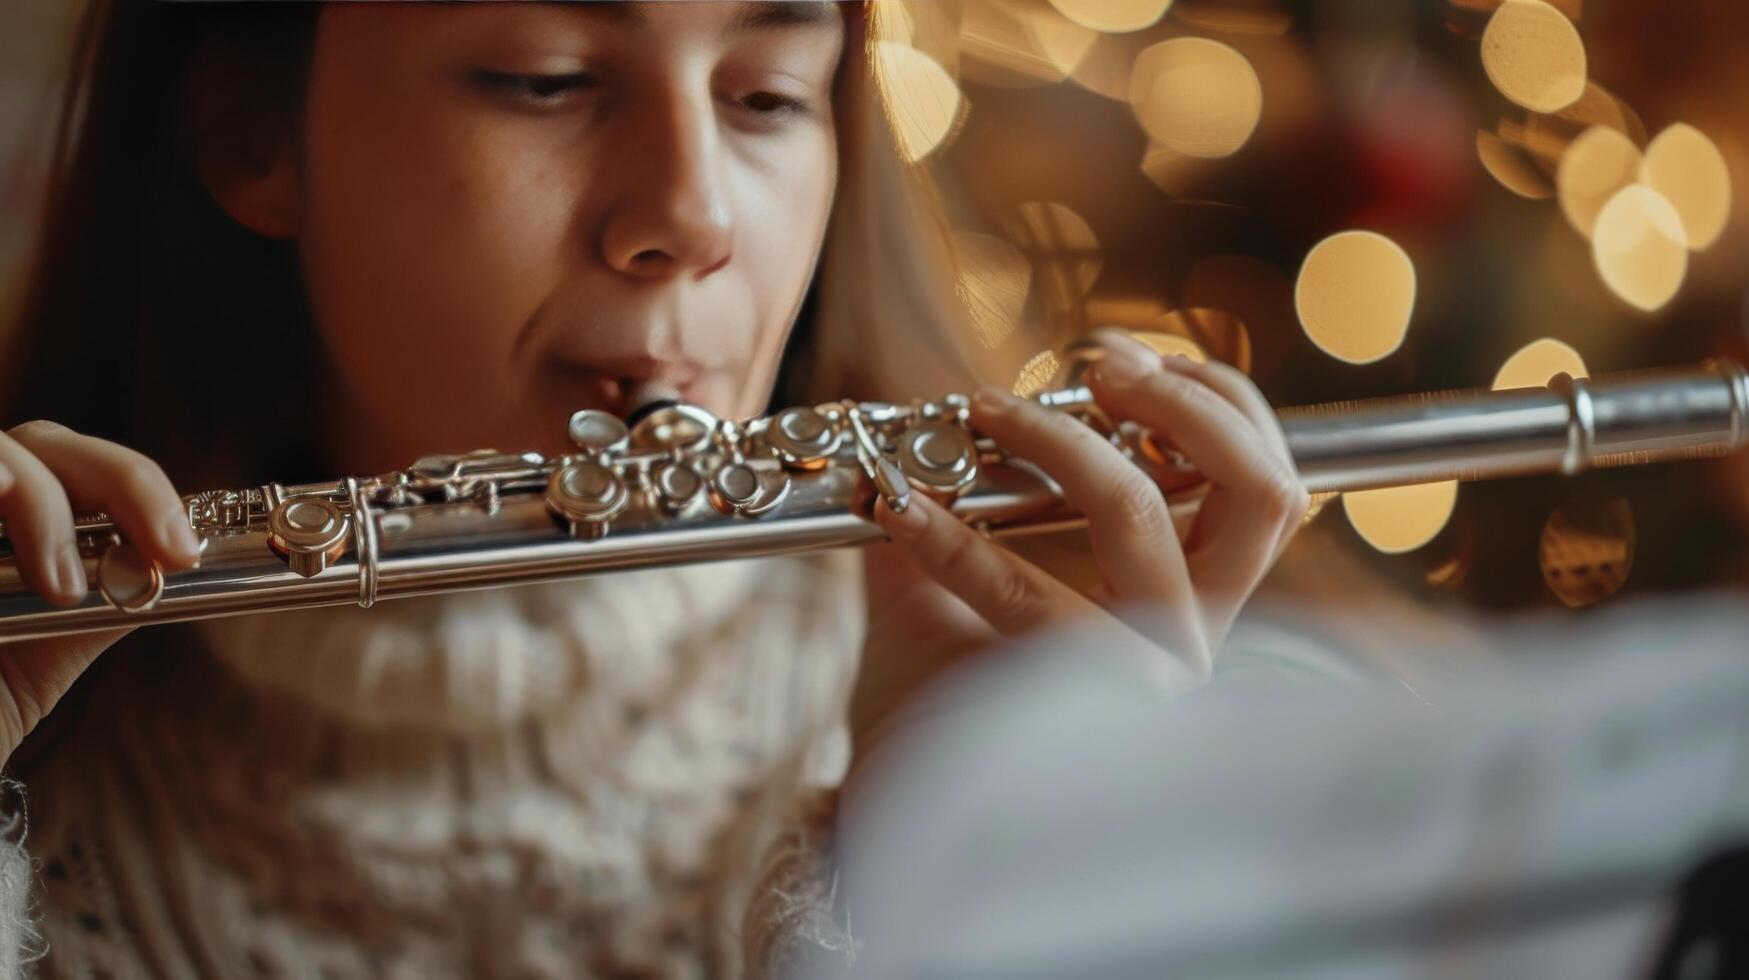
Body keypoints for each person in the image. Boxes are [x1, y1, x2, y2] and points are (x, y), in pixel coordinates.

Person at [0, 2, 1307, 976]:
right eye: (547, 80)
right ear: (247, 132)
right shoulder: (47, 780)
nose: (693, 215)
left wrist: (954, 866)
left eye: (767, 99)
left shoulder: (1039, 674)